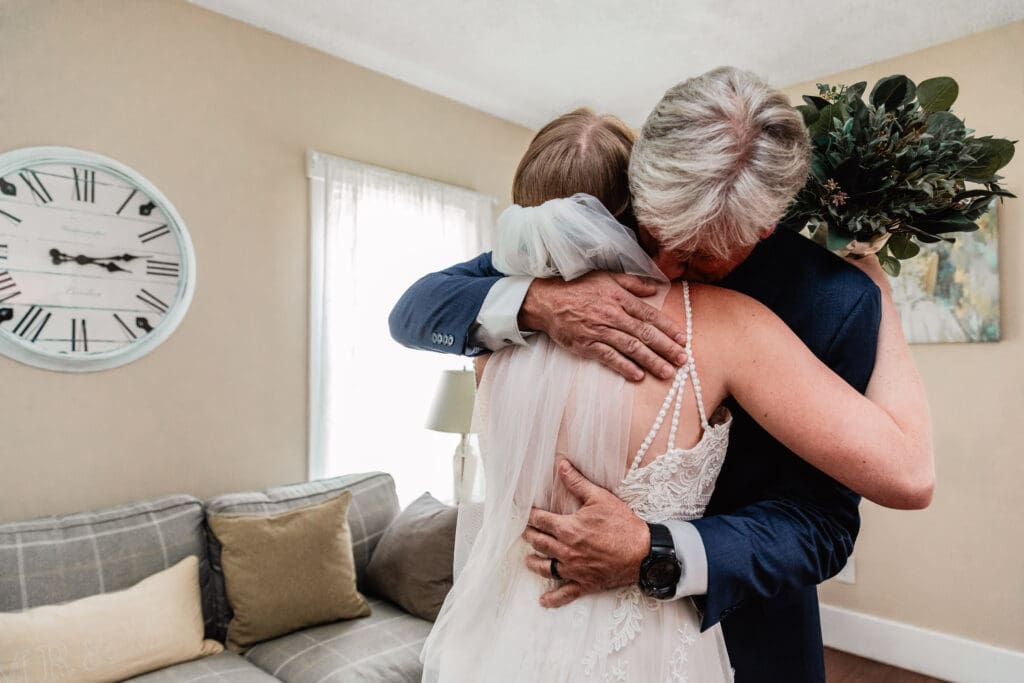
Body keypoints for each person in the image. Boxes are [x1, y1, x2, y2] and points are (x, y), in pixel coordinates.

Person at [393, 68, 934, 681]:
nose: (662, 266)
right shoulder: (568, 257)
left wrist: (660, 552)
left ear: (761, 229)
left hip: (747, 629)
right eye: (651, 233)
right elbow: (417, 307)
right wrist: (540, 304)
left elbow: (824, 523)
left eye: (699, 254)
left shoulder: (833, 302)